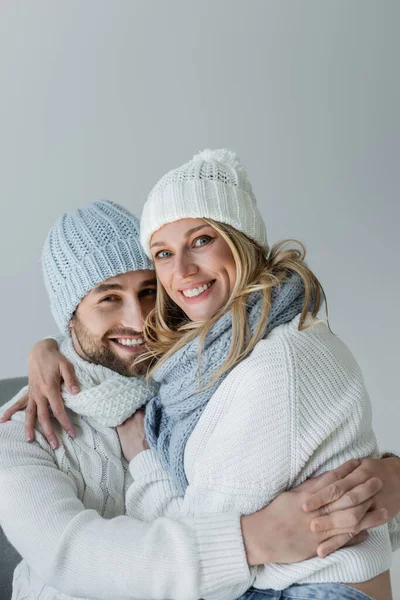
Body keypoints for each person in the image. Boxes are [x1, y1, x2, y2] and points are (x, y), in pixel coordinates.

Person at [1, 200, 390, 600]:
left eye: (149, 291)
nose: (139, 320)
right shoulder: (19, 430)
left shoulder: (192, 383)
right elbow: (72, 554)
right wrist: (251, 539)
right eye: (109, 299)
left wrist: (387, 481)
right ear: (69, 314)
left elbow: (308, 467)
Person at [125, 149, 399, 599]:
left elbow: (204, 559)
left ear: (242, 239)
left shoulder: (276, 366)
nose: (182, 270)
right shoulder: (214, 360)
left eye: (201, 241)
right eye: (163, 252)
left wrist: (143, 461)